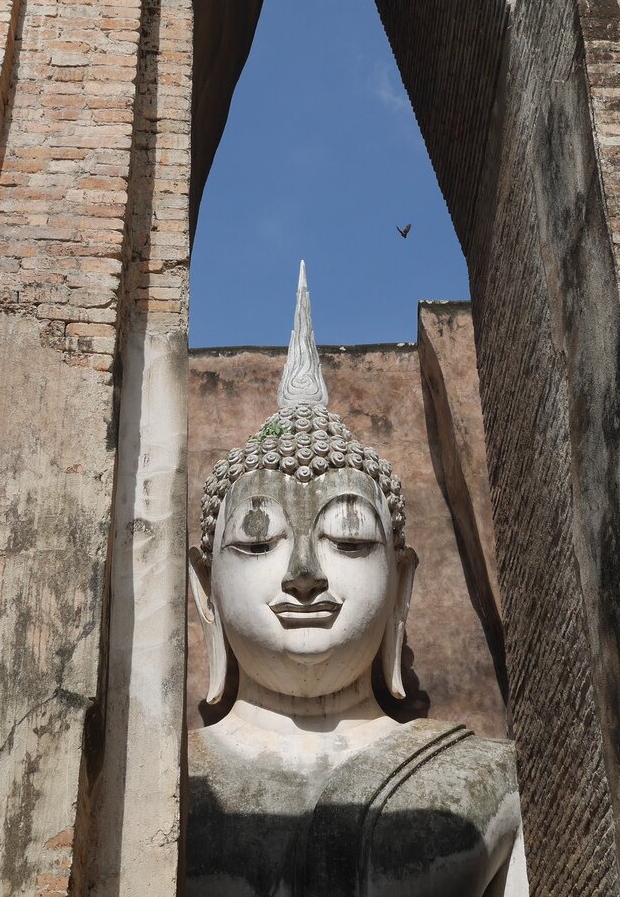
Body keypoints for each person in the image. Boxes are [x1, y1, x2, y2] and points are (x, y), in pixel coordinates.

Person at [185, 265, 528, 896]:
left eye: (348, 540)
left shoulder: (489, 783)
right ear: (206, 588)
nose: (305, 576)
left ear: (401, 586)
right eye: (259, 543)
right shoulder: (159, 790)